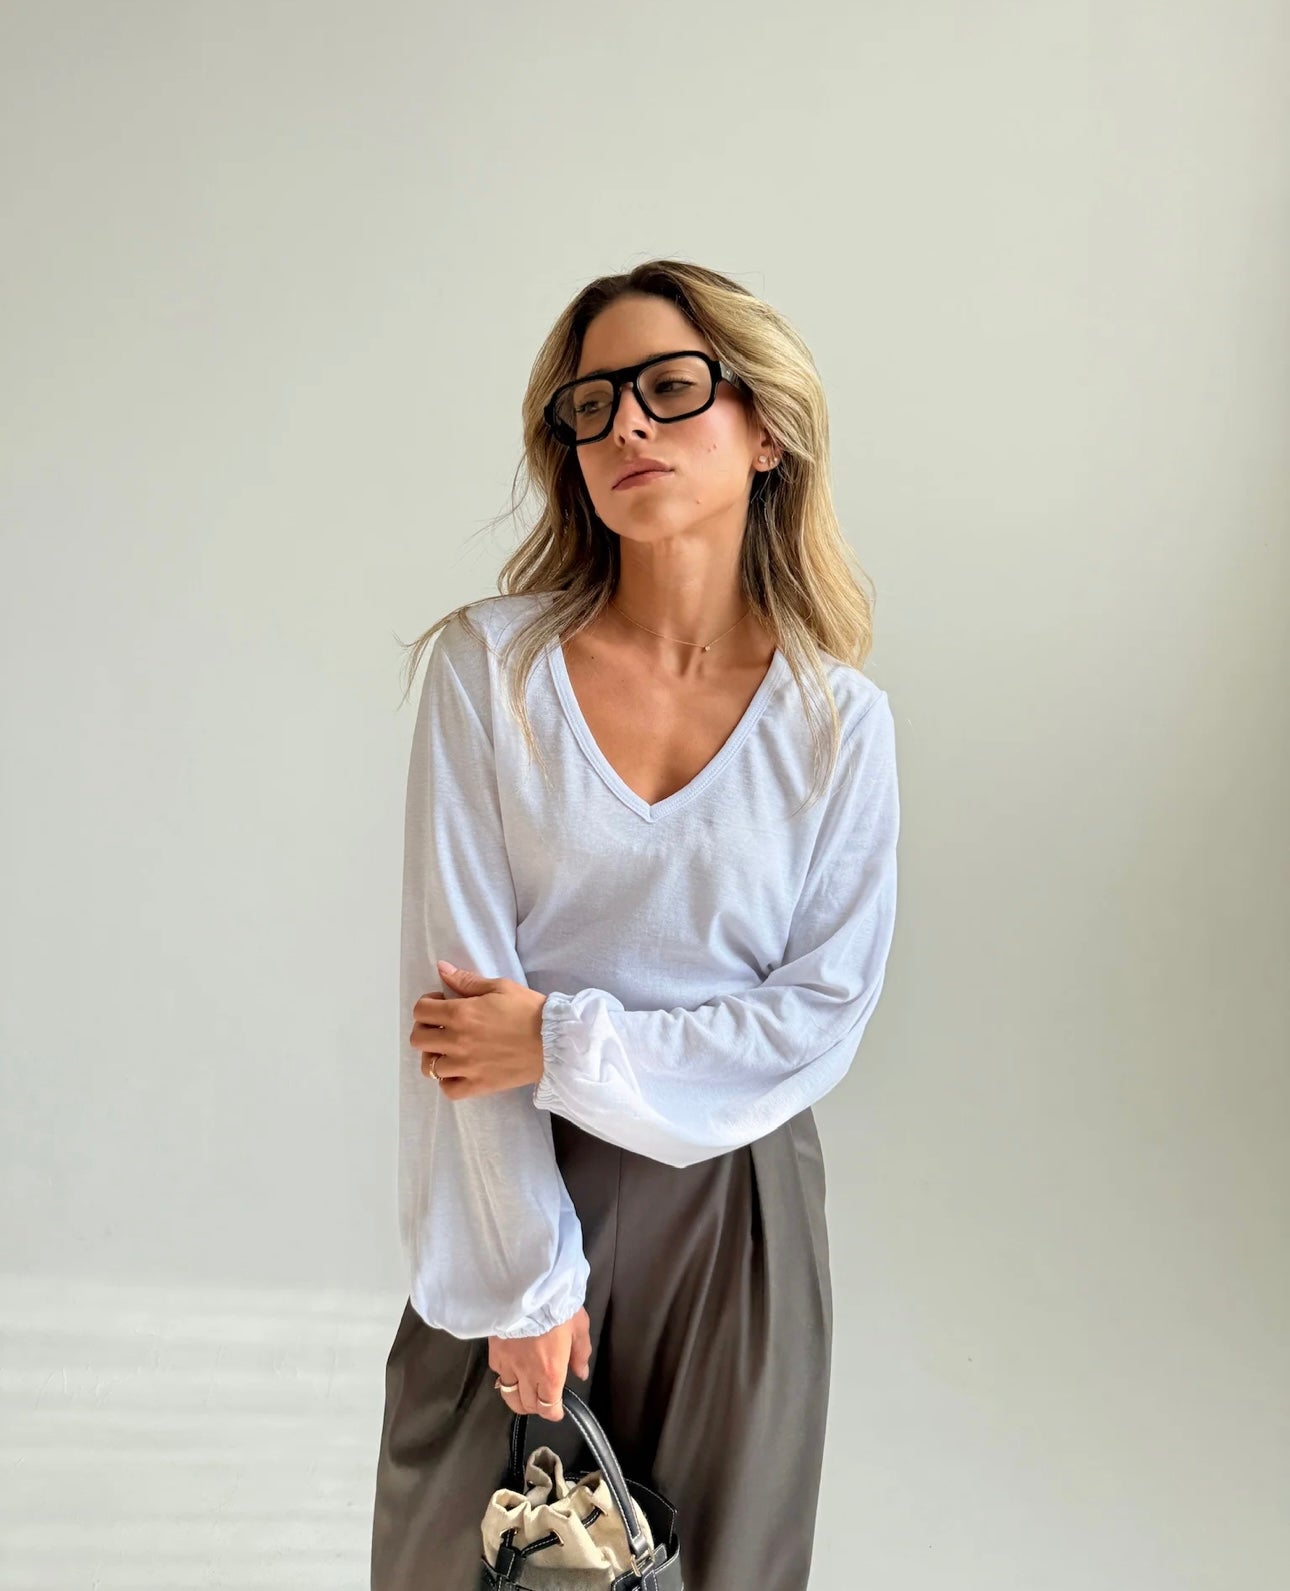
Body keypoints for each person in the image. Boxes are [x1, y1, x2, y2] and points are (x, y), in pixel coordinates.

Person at [369, 258, 901, 1591]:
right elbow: (457, 1008)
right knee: (465, 1561)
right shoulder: (491, 670)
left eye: (670, 388)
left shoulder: (836, 723)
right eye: (591, 405)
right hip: (514, 1181)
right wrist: (526, 1284)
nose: (626, 428)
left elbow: (814, 1019)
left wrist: (553, 1038)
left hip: (738, 1209)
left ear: (765, 427)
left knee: (718, 1570)